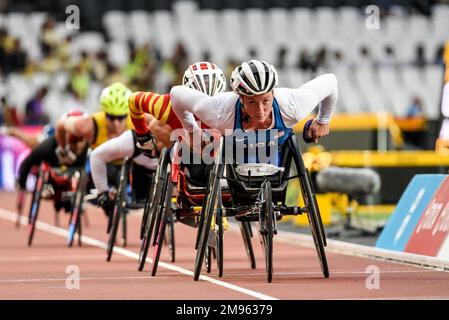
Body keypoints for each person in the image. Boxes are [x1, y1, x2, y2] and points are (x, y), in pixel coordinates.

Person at [170, 60, 337, 154]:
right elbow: (176, 93)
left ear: (273, 93)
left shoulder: (293, 105)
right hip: (235, 156)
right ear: (240, 98)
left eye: (265, 101)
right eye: (252, 102)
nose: (260, 110)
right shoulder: (219, 111)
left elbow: (331, 81)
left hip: (275, 155)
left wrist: (323, 120)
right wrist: (191, 130)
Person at [16, 109, 89, 213]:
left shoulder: (88, 148)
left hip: (74, 179)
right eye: (72, 137)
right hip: (53, 178)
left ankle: (71, 204)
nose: (76, 142)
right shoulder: (49, 146)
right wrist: (22, 183)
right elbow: (28, 161)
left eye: (80, 138)